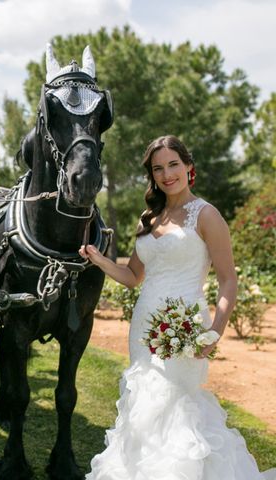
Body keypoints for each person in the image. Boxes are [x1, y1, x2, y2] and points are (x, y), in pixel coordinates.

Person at [80, 135, 276, 479]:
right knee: (144, 402)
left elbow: (229, 280)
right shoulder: (149, 217)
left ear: (189, 167)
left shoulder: (207, 215)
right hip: (144, 326)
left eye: (173, 164)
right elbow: (132, 277)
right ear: (152, 175)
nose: (166, 174)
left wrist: (215, 330)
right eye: (158, 168)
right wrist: (99, 260)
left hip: (184, 328)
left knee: (172, 403)